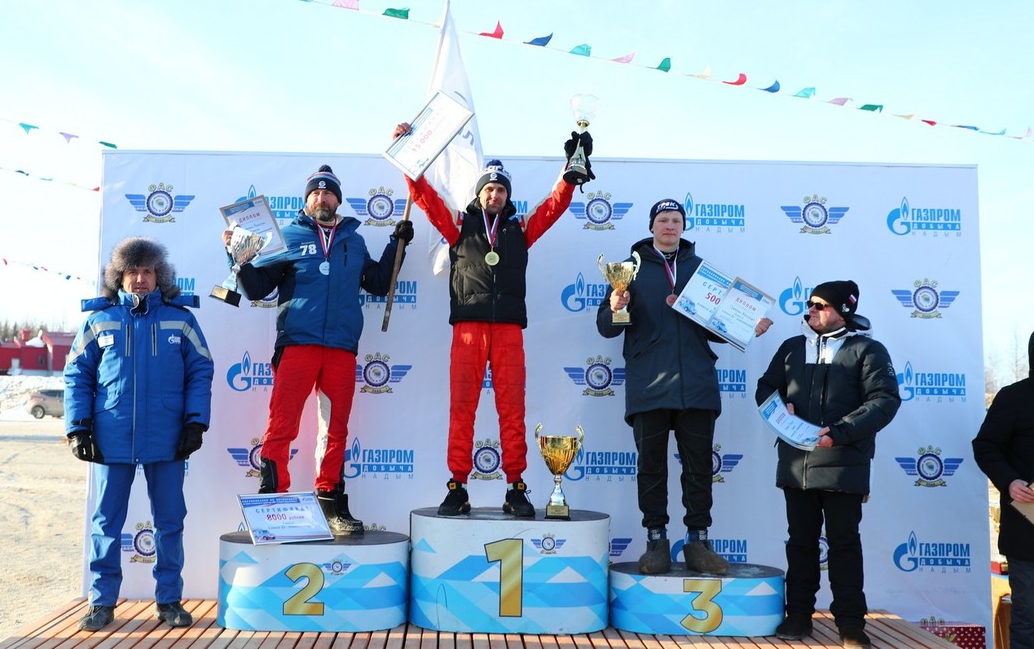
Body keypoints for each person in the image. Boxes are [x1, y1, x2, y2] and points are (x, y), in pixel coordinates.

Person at [391, 122, 590, 517]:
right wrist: (406, 152)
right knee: (462, 409)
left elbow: (555, 205)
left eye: (500, 189)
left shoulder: (521, 228)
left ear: (507, 196)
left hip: (509, 330)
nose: (494, 194)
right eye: (489, 189)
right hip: (468, 328)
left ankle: (516, 486)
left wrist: (572, 170)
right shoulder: (459, 225)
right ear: (479, 194)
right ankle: (457, 486)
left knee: (512, 410)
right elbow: (425, 196)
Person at [225, 164, 413, 535]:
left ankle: (330, 503)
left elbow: (377, 283)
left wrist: (397, 246)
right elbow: (258, 288)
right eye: (315, 193)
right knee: (282, 424)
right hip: (298, 342)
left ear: (338, 200)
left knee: (335, 429)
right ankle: (271, 501)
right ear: (306, 199)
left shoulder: (353, 240)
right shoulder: (287, 236)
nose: (321, 198)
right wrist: (238, 257)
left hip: (341, 347)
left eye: (328, 193)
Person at [596, 198, 772, 575]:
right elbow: (607, 327)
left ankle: (698, 541)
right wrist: (615, 304)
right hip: (649, 384)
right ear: (651, 225)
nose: (670, 226)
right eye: (663, 220)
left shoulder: (702, 271)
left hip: (696, 384)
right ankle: (656, 540)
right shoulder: (628, 270)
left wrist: (746, 326)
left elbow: (721, 330)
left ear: (683, 226)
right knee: (651, 467)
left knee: (698, 468)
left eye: (676, 220)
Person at [64, 237, 214, 633]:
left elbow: (201, 370)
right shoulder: (100, 321)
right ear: (120, 277)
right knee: (106, 523)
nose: (141, 279)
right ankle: (101, 603)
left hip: (168, 439)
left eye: (148, 271)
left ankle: (169, 601)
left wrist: (195, 422)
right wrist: (78, 427)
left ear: (159, 276)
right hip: (111, 438)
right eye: (133, 272)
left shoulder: (181, 320)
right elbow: (76, 375)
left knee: (169, 522)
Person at [755, 280, 900, 648]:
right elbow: (765, 387)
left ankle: (851, 624)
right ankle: (799, 614)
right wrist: (780, 406)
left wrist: (839, 432)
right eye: (810, 304)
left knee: (843, 543)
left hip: (843, 462)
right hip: (795, 464)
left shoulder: (867, 350)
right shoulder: (791, 348)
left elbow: (884, 400)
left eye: (820, 305)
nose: (811, 310)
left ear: (843, 310)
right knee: (800, 543)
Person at [973, 332, 1034, 649]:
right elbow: (985, 446)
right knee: (1028, 620)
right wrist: (1010, 481)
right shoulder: (1014, 398)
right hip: (1027, 529)